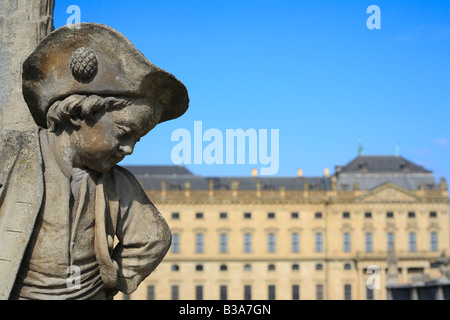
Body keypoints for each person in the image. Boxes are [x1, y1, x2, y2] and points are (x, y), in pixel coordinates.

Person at [0, 23, 189, 300]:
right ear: (81, 113)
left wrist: (109, 281)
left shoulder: (117, 183)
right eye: (125, 134)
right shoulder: (12, 154)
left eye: (138, 139)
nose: (130, 149)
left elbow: (153, 238)